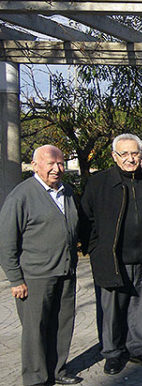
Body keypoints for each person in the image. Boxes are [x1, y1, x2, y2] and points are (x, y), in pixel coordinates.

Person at [80, 133, 142, 374]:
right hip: (111, 258)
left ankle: (138, 348)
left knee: (140, 307)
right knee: (111, 310)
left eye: (135, 154)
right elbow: (86, 220)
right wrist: (94, 248)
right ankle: (112, 353)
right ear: (114, 156)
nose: (131, 159)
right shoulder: (99, 183)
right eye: (125, 154)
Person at [0, 145, 82, 385]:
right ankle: (36, 378)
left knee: (62, 323)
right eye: (50, 164)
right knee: (35, 331)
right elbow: (6, 241)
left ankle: (57, 370)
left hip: (65, 271)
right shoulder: (21, 195)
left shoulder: (66, 191)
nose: (57, 169)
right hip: (35, 276)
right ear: (35, 165)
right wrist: (15, 279)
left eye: (60, 163)